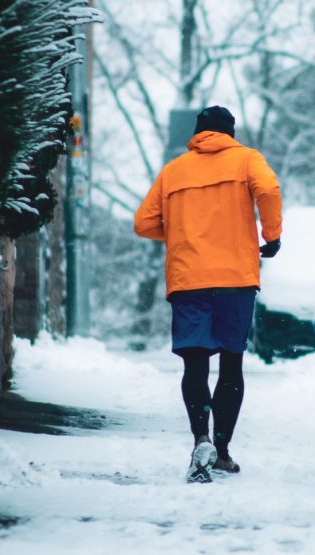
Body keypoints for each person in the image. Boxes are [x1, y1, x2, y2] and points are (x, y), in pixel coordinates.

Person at [134, 106, 283, 484]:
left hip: (189, 279)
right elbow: (267, 189)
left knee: (195, 364)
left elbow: (144, 223)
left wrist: (186, 235)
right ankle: (223, 450)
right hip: (235, 277)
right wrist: (272, 236)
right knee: (231, 363)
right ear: (230, 132)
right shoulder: (247, 159)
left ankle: (200, 438)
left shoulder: (174, 170)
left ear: (198, 133)